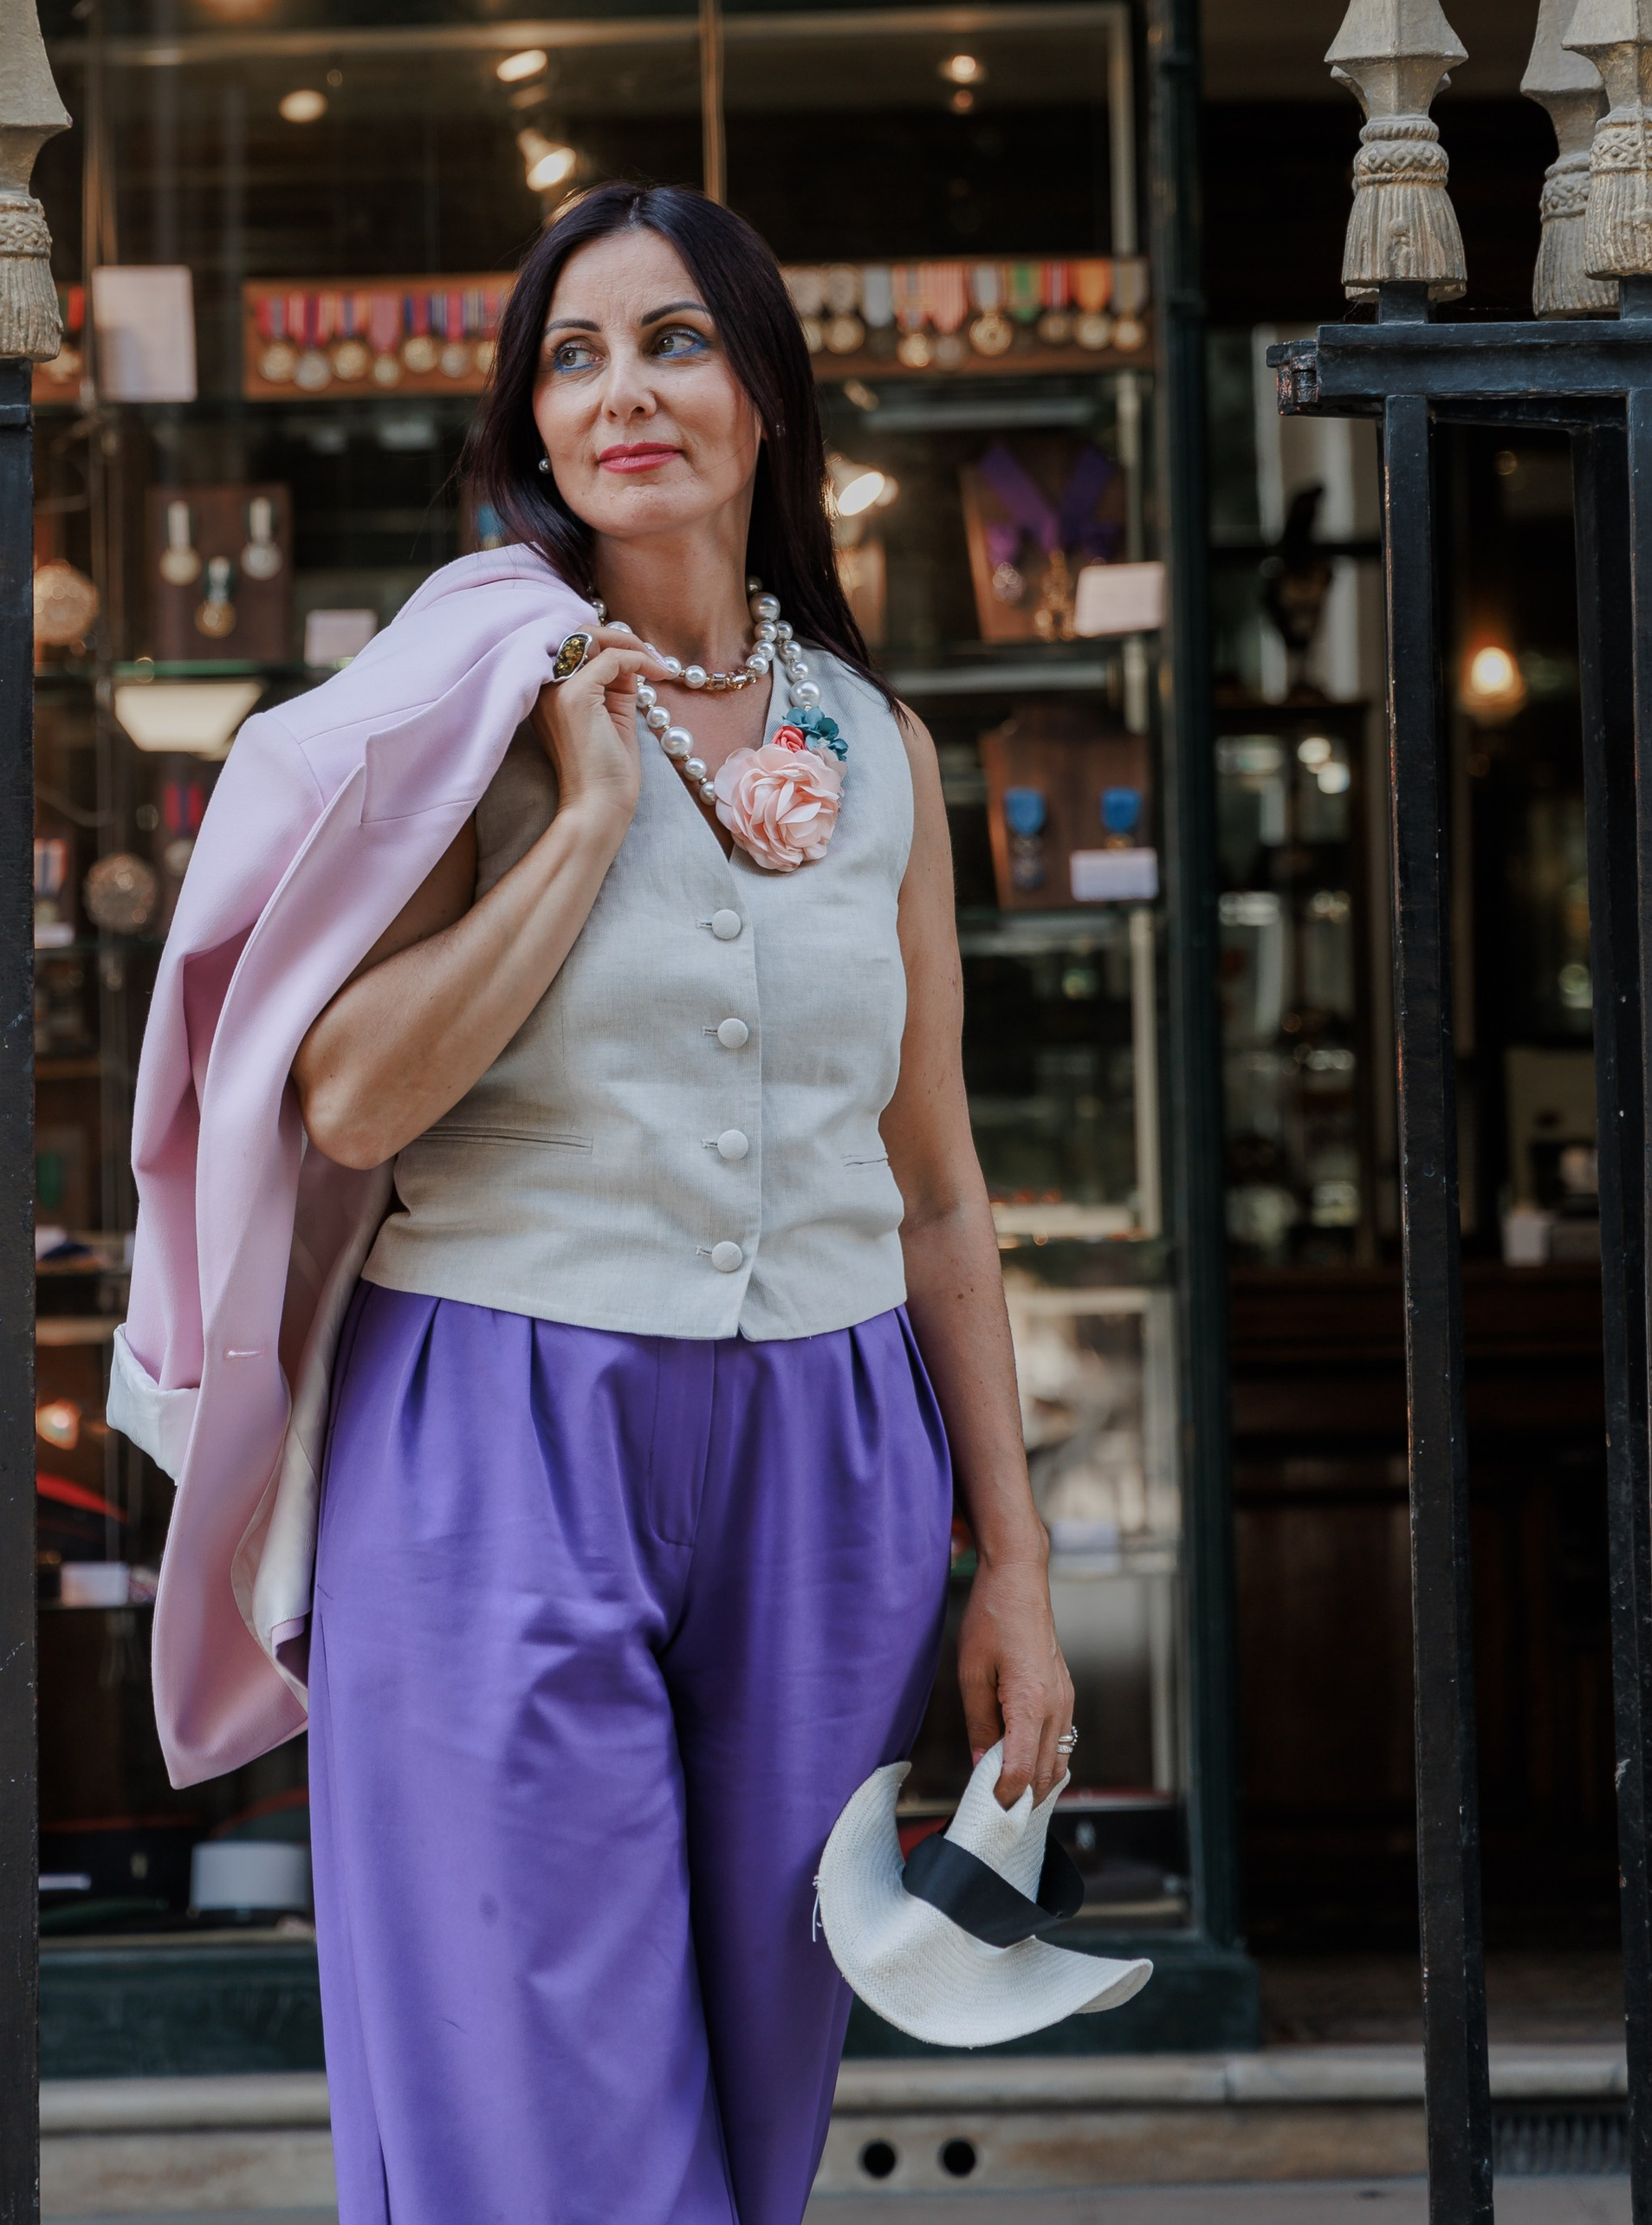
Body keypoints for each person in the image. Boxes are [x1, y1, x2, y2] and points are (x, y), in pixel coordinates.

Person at [290, 179, 1072, 2225]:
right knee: (546, 2106)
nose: (620, 390)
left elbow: (933, 1188)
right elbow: (350, 1098)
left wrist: (1012, 1563)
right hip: (501, 1424)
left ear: (764, 398)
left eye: (671, 342)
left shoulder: (879, 748)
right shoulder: (474, 707)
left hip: (833, 1456)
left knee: (758, 2085)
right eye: (571, 357)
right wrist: (583, 825)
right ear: (532, 433)